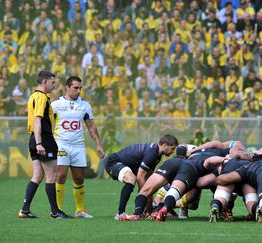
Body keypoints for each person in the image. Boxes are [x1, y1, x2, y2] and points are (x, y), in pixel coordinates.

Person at [18, 70, 70, 219]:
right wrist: (40, 143)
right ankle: (55, 212)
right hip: (44, 139)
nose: (54, 85)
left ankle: (24, 209)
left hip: (33, 138)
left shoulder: (33, 96)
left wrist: (36, 141)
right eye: (52, 82)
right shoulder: (41, 97)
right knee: (51, 176)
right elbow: (37, 120)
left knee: (37, 176)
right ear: (44, 82)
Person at [52, 76, 104, 219]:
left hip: (78, 146)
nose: (78, 91)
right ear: (67, 87)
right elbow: (48, 124)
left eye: (80, 88)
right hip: (61, 144)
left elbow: (91, 126)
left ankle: (80, 210)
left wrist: (98, 144)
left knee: (80, 178)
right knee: (61, 176)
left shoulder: (85, 105)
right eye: (75, 88)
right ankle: (57, 210)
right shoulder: (56, 105)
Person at [103, 134, 179, 220]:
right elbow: (140, 177)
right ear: (164, 145)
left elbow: (148, 181)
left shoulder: (157, 155)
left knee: (144, 184)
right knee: (131, 179)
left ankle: (143, 212)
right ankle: (120, 213)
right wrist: (145, 194)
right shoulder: (152, 153)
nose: (173, 151)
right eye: (172, 148)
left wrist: (149, 207)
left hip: (125, 165)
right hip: (113, 162)